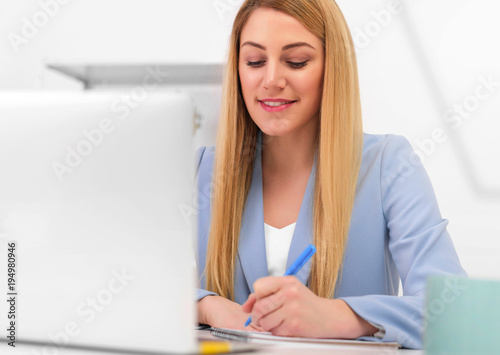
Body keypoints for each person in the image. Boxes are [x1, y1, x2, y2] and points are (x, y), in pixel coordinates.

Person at [194, 0, 465, 349]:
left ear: (331, 67)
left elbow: (454, 310)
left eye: (296, 62)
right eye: (255, 61)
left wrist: (339, 316)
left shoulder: (389, 165)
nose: (272, 80)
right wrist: (207, 305)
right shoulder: (203, 171)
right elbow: (135, 290)